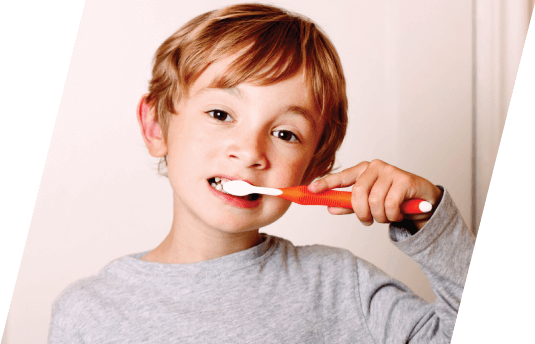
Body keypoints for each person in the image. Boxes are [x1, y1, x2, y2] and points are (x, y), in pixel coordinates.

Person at [48, 3, 475, 343]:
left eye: (285, 133)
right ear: (156, 126)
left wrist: (435, 226)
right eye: (220, 113)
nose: (250, 152)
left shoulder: (342, 286)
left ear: (316, 167)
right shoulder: (89, 311)